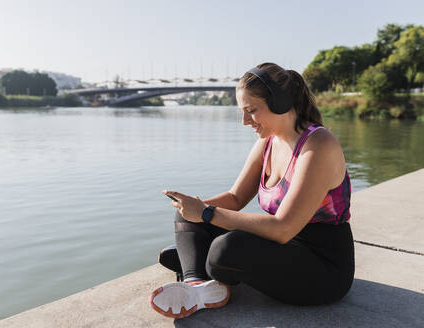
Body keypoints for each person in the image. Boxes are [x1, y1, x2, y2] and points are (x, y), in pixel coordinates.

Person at [149, 62, 354, 319]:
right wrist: (193, 208)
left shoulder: (319, 145)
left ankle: (202, 262)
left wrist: (207, 214)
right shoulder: (268, 141)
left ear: (280, 103)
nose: (244, 121)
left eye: (251, 111)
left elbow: (283, 228)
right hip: (279, 246)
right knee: (187, 214)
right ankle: (196, 285)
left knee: (226, 248)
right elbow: (235, 199)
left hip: (322, 267)